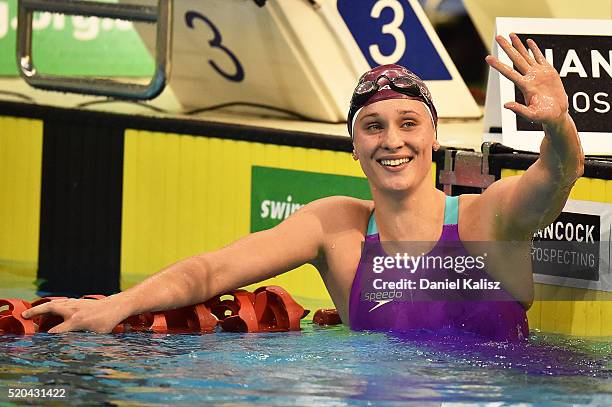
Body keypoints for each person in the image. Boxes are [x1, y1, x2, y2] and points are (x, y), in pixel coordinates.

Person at [22, 34, 583, 340]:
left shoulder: (486, 219)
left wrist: (557, 125)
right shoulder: (336, 229)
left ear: (434, 137)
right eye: (373, 127)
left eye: (410, 124)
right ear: (354, 146)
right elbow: (213, 271)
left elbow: (556, 177)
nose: (393, 141)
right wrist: (115, 305)